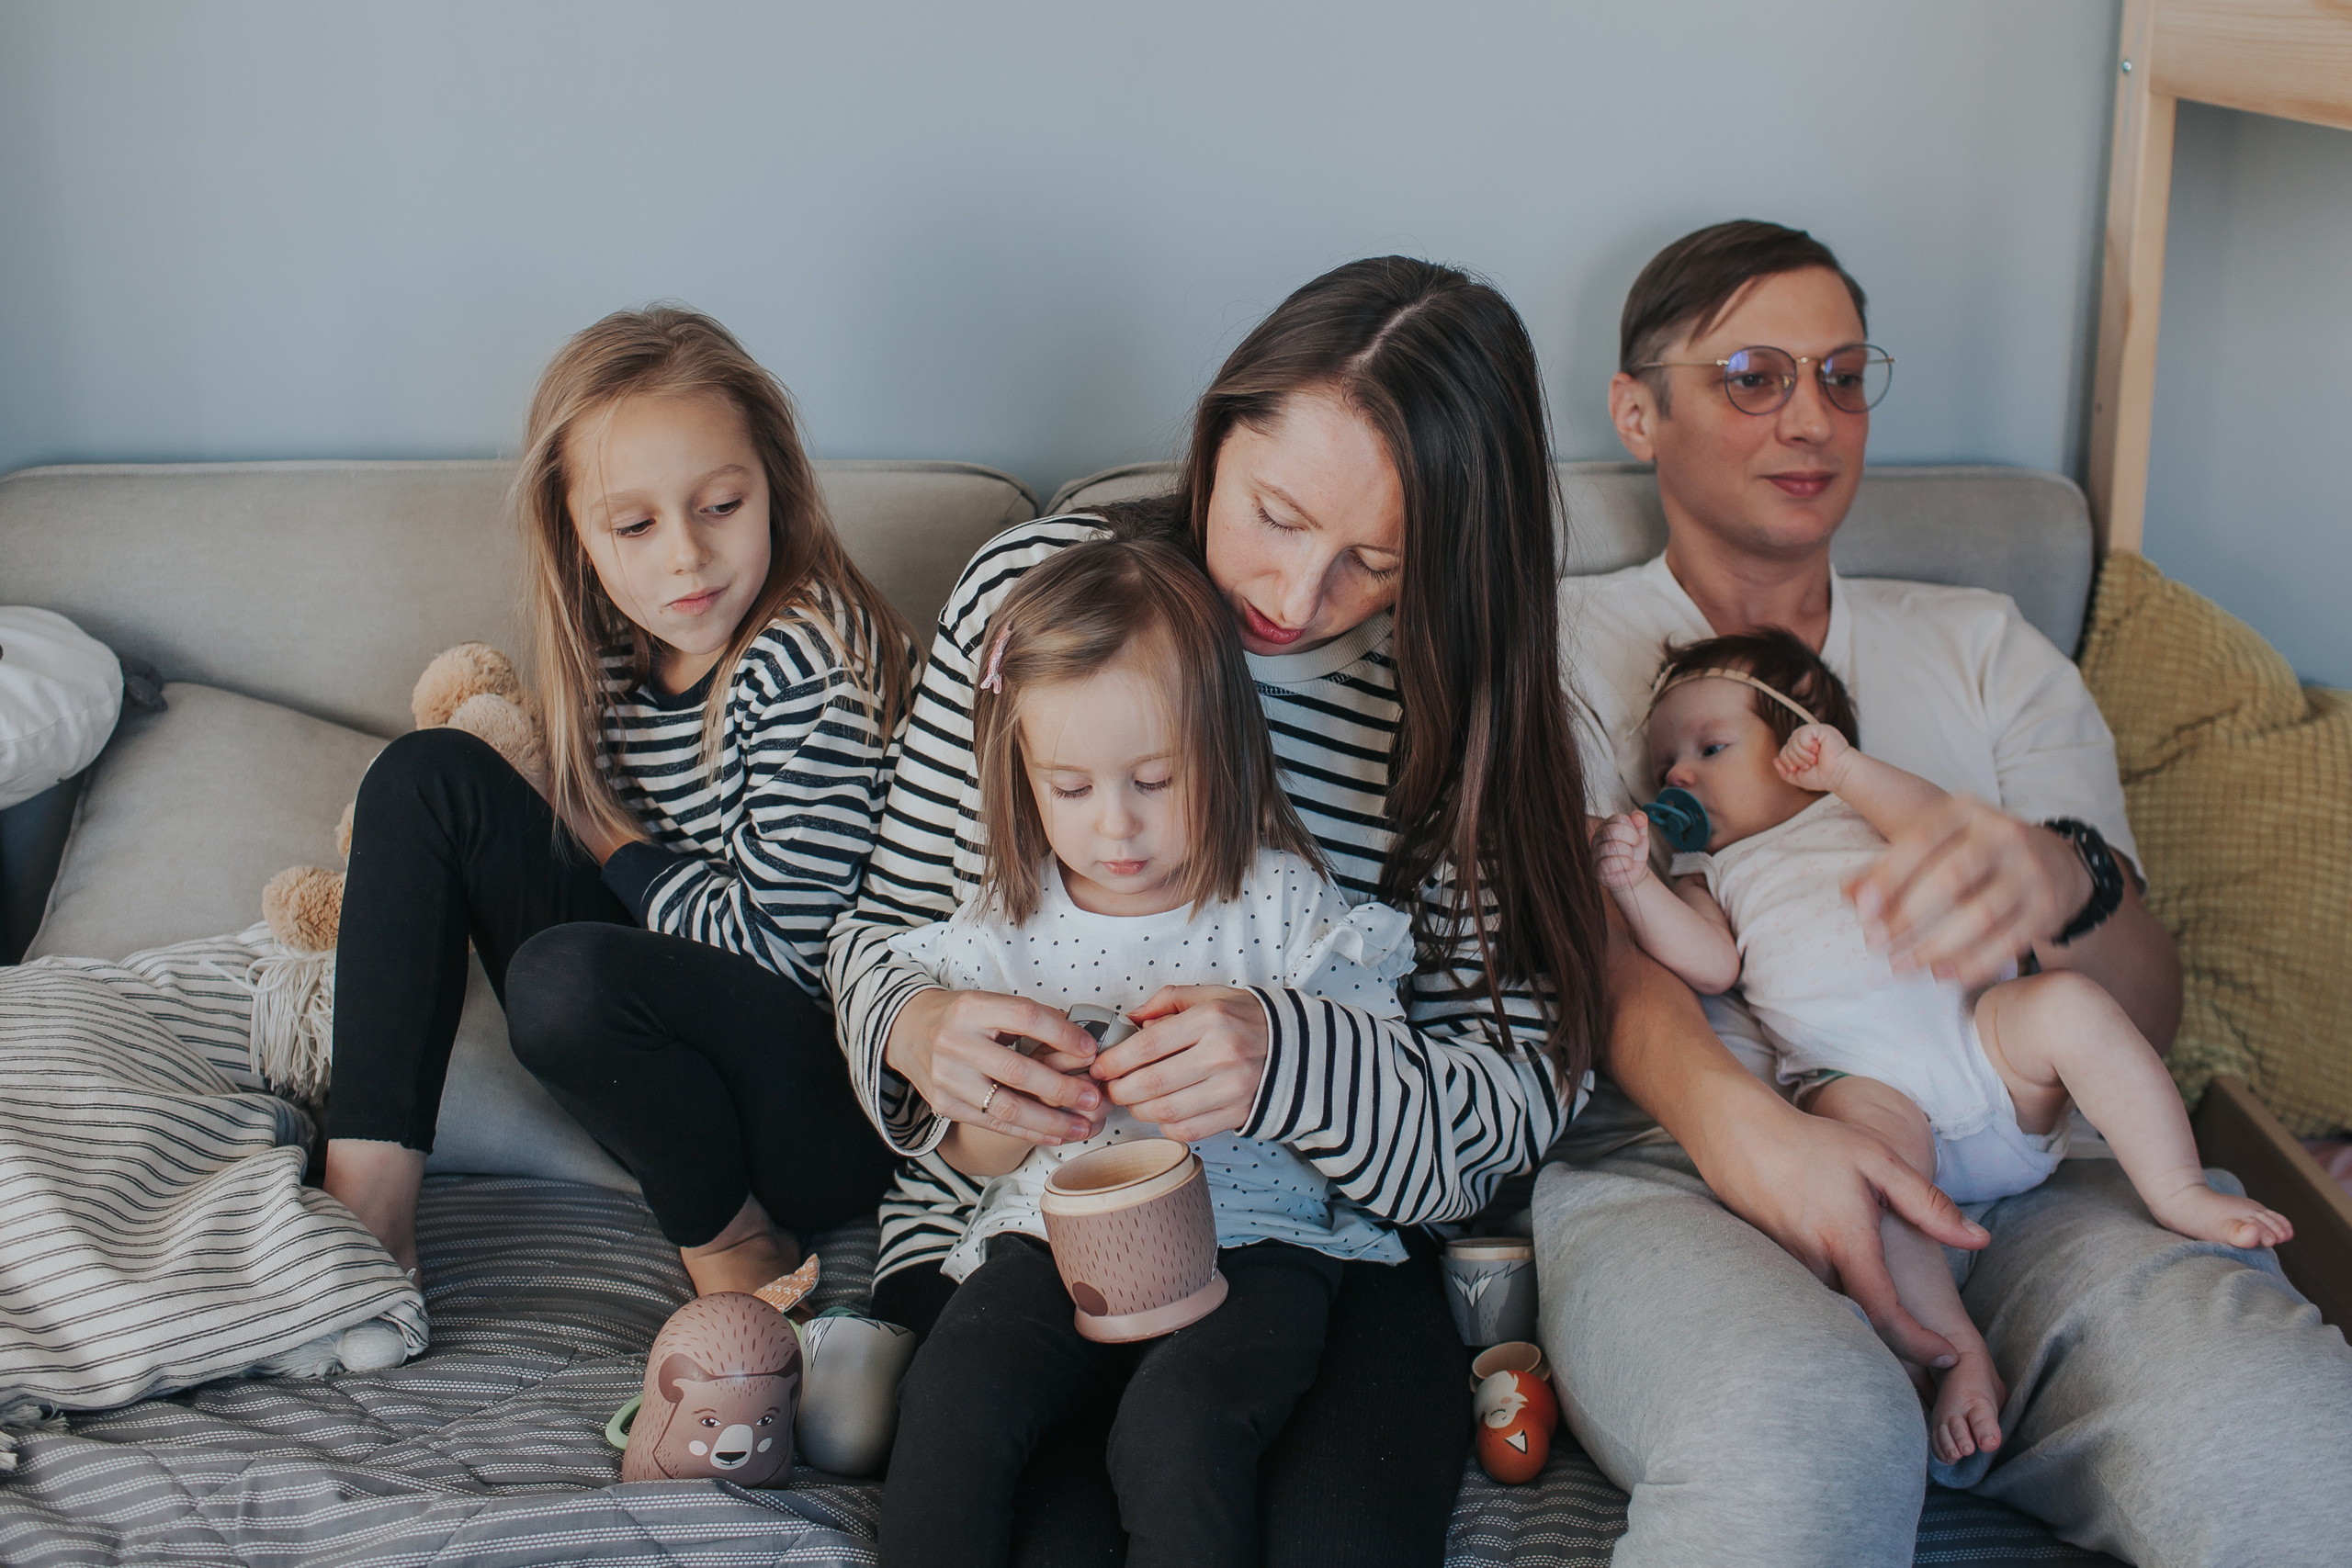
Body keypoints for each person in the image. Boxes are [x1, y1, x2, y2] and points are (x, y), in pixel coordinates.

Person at [1542, 219, 2352, 1566]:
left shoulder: (1982, 643)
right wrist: (1750, 1131)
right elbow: (1588, 953)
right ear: (1639, 412)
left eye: (1842, 375)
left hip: (2033, 1165)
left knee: (2290, 1445)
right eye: (1752, 376)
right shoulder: (1559, 645)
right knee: (1807, 1440)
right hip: (1688, 1166)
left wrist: (2062, 881)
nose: (1812, 417)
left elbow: (2141, 1011)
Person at [830, 256, 1611, 1564]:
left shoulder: (1458, 700)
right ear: (1215, 435)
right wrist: (920, 1032)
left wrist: (1293, 1060)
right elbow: (879, 938)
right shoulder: (1039, 602)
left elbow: (1515, 1103)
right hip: (1026, 1225)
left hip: (1323, 1242)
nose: (1295, 599)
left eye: (1375, 563)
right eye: (1274, 515)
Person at [322, 307, 910, 1302]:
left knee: (564, 978)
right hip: (655, 1069)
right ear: (576, 536)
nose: (685, 555)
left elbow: (787, 956)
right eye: (634, 526)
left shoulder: (807, 659)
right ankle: (366, 1226)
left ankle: (733, 1236)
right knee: (422, 774)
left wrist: (603, 833)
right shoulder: (607, 654)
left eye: (720, 505)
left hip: (822, 1107)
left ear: (774, 487)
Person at [1596, 627, 2292, 1466]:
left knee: (2070, 1004)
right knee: (1862, 1180)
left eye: (1710, 747)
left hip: (1990, 1048)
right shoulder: (1711, 873)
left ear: (1802, 734)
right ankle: (1957, 1354)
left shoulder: (1862, 808)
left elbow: (1941, 832)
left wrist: (1848, 770)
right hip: (1867, 1087)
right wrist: (1635, 885)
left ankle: (2177, 1186)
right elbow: (1710, 963)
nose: (1680, 775)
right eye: (1665, 764)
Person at [880, 534, 1422, 1568]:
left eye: (1154, 779)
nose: (1116, 828)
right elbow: (971, 1156)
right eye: (1071, 789)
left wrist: (1273, 1065)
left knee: (1179, 1431)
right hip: (1052, 1236)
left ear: (1221, 748)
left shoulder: (1283, 907)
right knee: (954, 1396)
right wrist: (1019, 1106)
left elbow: (1378, 1083)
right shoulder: (1004, 927)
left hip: (1257, 1239)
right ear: (1024, 776)